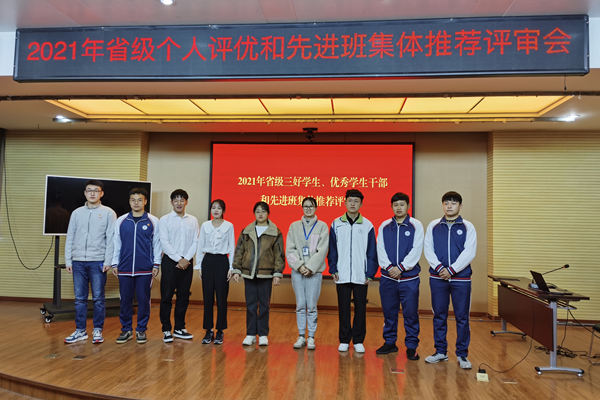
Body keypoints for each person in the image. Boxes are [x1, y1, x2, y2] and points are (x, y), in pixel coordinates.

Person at [423, 191, 477, 370]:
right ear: (442, 205)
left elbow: (469, 252)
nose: (449, 206)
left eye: (453, 203)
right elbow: (428, 249)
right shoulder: (433, 226)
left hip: (461, 279)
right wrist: (440, 269)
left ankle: (462, 354)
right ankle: (440, 351)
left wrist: (452, 270)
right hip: (438, 278)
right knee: (439, 315)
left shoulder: (468, 226)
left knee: (462, 317)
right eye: (446, 203)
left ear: (460, 206)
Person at [64, 179, 116, 344]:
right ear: (85, 193)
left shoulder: (108, 213)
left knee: (98, 298)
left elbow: (111, 239)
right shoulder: (76, 213)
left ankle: (97, 330)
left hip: (98, 261)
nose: (92, 193)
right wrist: (68, 260)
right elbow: (70, 237)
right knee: (80, 299)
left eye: (96, 190)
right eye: (89, 190)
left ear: (101, 193)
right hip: (78, 261)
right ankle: (80, 330)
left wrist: (108, 260)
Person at [328, 189, 378, 353]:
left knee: (360, 309)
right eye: (350, 200)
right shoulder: (336, 224)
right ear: (345, 202)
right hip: (341, 274)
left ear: (361, 204)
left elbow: (372, 252)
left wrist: (370, 273)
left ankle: (358, 340)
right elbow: (332, 250)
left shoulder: (368, 225)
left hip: (360, 274)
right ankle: (344, 339)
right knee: (343, 308)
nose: (352, 204)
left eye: (356, 201)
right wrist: (333, 268)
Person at [375, 192, 423, 359]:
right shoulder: (385, 226)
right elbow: (380, 248)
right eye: (395, 205)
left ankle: (411, 346)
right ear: (392, 207)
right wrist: (389, 267)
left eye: (402, 204)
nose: (399, 208)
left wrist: (401, 268)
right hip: (388, 278)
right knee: (389, 312)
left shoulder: (416, 225)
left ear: (408, 206)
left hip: (409, 279)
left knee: (410, 313)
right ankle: (390, 343)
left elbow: (416, 249)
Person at [112, 187, 161, 344]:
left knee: (143, 300)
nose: (136, 203)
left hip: (145, 268)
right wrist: (114, 262)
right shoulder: (121, 221)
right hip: (124, 267)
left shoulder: (153, 221)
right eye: (133, 200)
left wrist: (156, 264)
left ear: (145, 201)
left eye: (140, 200)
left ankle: (141, 330)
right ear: (129, 202)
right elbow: (116, 243)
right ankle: (126, 330)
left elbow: (157, 244)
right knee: (125, 301)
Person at [232, 201, 285, 347]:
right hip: (249, 273)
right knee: (250, 305)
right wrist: (236, 269)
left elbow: (279, 254)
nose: (260, 214)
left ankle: (262, 334)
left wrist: (277, 273)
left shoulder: (275, 232)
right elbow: (239, 251)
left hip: (265, 274)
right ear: (254, 214)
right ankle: (250, 334)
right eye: (257, 211)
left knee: (264, 305)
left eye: (263, 211)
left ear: (268, 213)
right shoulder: (246, 231)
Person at [286, 197, 329, 350]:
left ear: (316, 208)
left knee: (311, 305)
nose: (308, 209)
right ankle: (300, 336)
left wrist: (310, 267)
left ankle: (311, 336)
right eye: (305, 206)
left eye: (311, 206)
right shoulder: (294, 226)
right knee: (300, 305)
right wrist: (299, 266)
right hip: (298, 272)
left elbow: (322, 250)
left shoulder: (322, 226)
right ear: (302, 208)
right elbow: (290, 250)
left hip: (314, 272)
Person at [158, 189, 199, 343]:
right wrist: (178, 259)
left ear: (186, 202)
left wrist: (186, 258)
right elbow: (164, 242)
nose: (179, 203)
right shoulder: (165, 220)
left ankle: (179, 328)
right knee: (166, 296)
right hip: (170, 262)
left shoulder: (193, 220)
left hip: (187, 262)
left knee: (183, 296)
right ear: (171, 202)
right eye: (176, 200)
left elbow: (196, 241)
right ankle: (166, 329)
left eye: (182, 200)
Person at [196, 199, 235, 345]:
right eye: (213, 208)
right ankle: (208, 330)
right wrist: (199, 266)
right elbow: (200, 246)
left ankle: (220, 331)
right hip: (207, 261)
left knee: (221, 298)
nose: (216, 210)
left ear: (223, 210)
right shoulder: (205, 225)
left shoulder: (229, 226)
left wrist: (231, 267)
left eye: (219, 208)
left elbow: (232, 247)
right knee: (207, 298)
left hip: (222, 262)